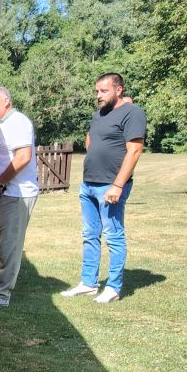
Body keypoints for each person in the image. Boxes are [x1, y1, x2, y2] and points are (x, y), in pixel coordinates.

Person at [61, 72, 146, 304]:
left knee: (114, 236)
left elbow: (135, 150)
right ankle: (88, 284)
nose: (98, 95)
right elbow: (91, 139)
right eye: (97, 91)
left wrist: (118, 185)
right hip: (89, 184)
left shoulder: (133, 113)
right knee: (90, 235)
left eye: (104, 91)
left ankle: (113, 287)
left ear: (118, 90)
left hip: (111, 185)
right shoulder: (99, 114)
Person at [0, 87, 40, 307]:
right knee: (1, 243)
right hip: (3, 193)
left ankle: (2, 294)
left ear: (6, 101)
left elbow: (23, 156)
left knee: (10, 245)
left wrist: (0, 182)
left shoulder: (18, 122)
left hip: (16, 193)